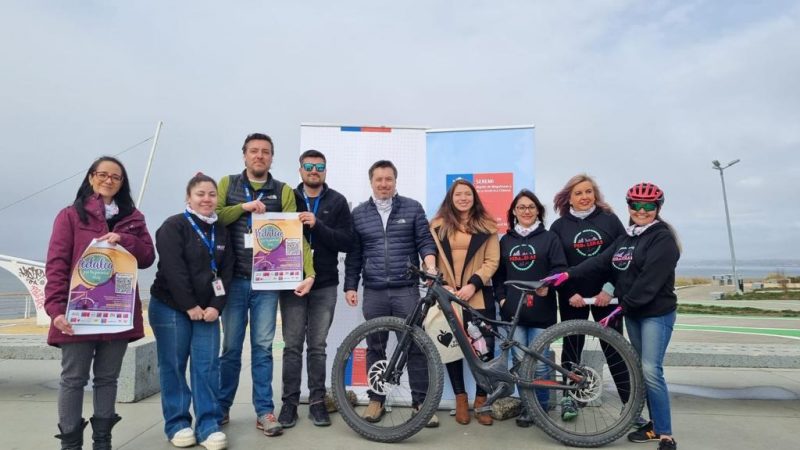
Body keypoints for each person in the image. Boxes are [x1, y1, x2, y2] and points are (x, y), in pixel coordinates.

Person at [548, 182, 680, 450]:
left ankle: (663, 432)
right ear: (629, 206)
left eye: (648, 206)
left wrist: (618, 304)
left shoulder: (661, 237)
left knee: (651, 370)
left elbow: (649, 281)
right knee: (641, 368)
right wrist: (568, 275)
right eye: (636, 206)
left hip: (651, 312)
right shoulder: (629, 237)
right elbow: (601, 260)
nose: (641, 210)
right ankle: (652, 426)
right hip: (634, 312)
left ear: (658, 208)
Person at [45, 156, 155, 450]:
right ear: (91, 177)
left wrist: (124, 240)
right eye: (102, 174)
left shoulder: (134, 218)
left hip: (116, 313)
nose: (108, 180)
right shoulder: (70, 216)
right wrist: (55, 310)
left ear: (122, 183)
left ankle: (102, 441)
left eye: (115, 177)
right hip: (78, 313)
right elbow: (56, 265)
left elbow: (147, 257)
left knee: (107, 379)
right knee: (73, 379)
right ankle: (70, 443)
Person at [216, 133, 315, 438]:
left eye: (266, 152)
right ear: (244, 155)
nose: (259, 156)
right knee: (231, 348)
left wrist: (309, 273)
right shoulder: (226, 184)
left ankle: (264, 411)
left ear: (272, 158)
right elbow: (215, 218)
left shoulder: (283, 190)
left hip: (267, 284)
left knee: (262, 348)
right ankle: (221, 408)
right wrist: (243, 208)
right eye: (254, 151)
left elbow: (295, 235)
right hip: (233, 283)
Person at [344, 160, 439, 427]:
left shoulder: (412, 207)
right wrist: (351, 285)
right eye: (379, 180)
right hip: (373, 291)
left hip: (406, 289)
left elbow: (424, 241)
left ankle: (420, 403)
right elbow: (354, 254)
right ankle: (376, 400)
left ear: (395, 181)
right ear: (371, 182)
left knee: (414, 346)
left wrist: (429, 265)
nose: (384, 184)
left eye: (388, 179)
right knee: (375, 347)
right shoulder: (359, 214)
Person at [149, 173, 234, 450]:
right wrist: (190, 305)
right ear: (189, 198)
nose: (207, 199)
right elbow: (174, 271)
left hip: (207, 310)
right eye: (200, 194)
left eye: (211, 194)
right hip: (171, 307)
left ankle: (208, 424)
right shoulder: (173, 226)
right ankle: (177, 423)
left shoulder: (220, 228)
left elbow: (226, 271)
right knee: (173, 366)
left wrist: (215, 306)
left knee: (207, 367)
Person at [278, 150, 353, 428]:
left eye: (319, 167)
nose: (314, 170)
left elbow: (346, 241)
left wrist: (317, 225)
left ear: (325, 170)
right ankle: (289, 403)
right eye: (308, 166)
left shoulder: (337, 201)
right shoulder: (288, 197)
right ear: (300, 170)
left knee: (318, 347)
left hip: (324, 285)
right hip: (292, 283)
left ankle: (318, 402)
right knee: (292, 346)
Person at [550, 174, 631, 422]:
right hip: (573, 298)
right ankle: (569, 398)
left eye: (588, 192)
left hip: (607, 298)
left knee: (615, 348)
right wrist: (568, 293)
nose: (584, 197)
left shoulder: (609, 220)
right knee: (572, 346)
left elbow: (624, 258)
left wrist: (609, 289)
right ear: (569, 198)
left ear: (595, 194)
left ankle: (630, 403)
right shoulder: (559, 227)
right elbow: (556, 266)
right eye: (578, 193)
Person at [491, 189, 567, 427]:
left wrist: (548, 283)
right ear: (514, 212)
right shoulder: (506, 241)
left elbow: (560, 268)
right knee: (521, 361)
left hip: (542, 312)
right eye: (521, 207)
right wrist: (502, 300)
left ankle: (540, 409)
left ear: (538, 211)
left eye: (531, 207)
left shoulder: (550, 238)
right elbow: (498, 276)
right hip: (513, 313)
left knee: (541, 364)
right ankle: (527, 407)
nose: (526, 211)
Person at [429, 179, 500, 426]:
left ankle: (482, 400)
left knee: (484, 348)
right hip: (447, 297)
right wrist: (442, 285)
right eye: (458, 194)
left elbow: (492, 261)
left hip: (478, 295)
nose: (462, 198)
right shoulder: (436, 225)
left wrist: (472, 285)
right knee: (453, 349)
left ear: (474, 197)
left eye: (467, 194)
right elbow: (430, 259)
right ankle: (461, 398)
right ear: (451, 197)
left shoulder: (488, 226)